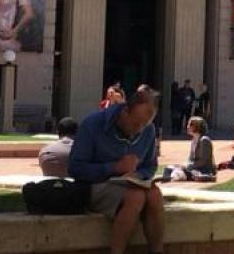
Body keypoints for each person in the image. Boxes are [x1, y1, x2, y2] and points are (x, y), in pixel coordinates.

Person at [69, 85, 166, 254]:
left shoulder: (147, 130)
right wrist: (114, 167)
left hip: (130, 183)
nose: (140, 129)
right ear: (125, 111)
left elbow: (150, 165)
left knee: (154, 195)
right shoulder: (93, 124)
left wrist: (139, 174)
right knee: (135, 197)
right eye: (137, 123)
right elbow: (76, 168)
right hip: (95, 185)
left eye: (146, 124)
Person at [171, 117, 213, 181]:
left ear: (198, 126)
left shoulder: (204, 140)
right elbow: (191, 158)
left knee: (178, 172)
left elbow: (202, 161)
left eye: (191, 125)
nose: (187, 127)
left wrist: (188, 166)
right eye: (188, 124)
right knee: (170, 168)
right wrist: (185, 165)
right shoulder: (193, 140)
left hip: (202, 171)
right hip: (193, 168)